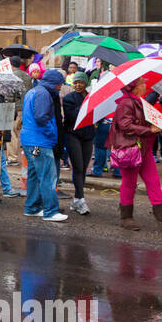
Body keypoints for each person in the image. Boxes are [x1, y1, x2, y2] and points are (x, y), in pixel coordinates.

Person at [110, 77, 162, 231]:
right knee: (129, 183)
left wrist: (154, 123)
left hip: (144, 148)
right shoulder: (126, 103)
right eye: (142, 83)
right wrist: (149, 129)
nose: (146, 85)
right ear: (135, 87)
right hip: (131, 149)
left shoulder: (138, 100)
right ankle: (126, 217)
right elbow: (125, 126)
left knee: (153, 181)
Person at [21, 69, 67, 222]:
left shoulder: (33, 91)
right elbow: (41, 118)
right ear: (54, 83)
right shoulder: (44, 94)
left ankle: (32, 207)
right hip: (40, 142)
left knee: (34, 173)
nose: (61, 87)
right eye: (60, 84)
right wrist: (51, 132)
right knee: (47, 175)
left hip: (30, 142)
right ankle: (50, 211)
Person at [61, 72, 94, 215]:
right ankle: (80, 199)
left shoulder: (92, 97)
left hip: (88, 136)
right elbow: (72, 116)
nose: (78, 85)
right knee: (78, 167)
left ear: (85, 83)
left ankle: (77, 199)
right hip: (73, 135)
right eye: (75, 83)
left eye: (81, 82)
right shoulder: (69, 98)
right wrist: (87, 106)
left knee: (83, 168)